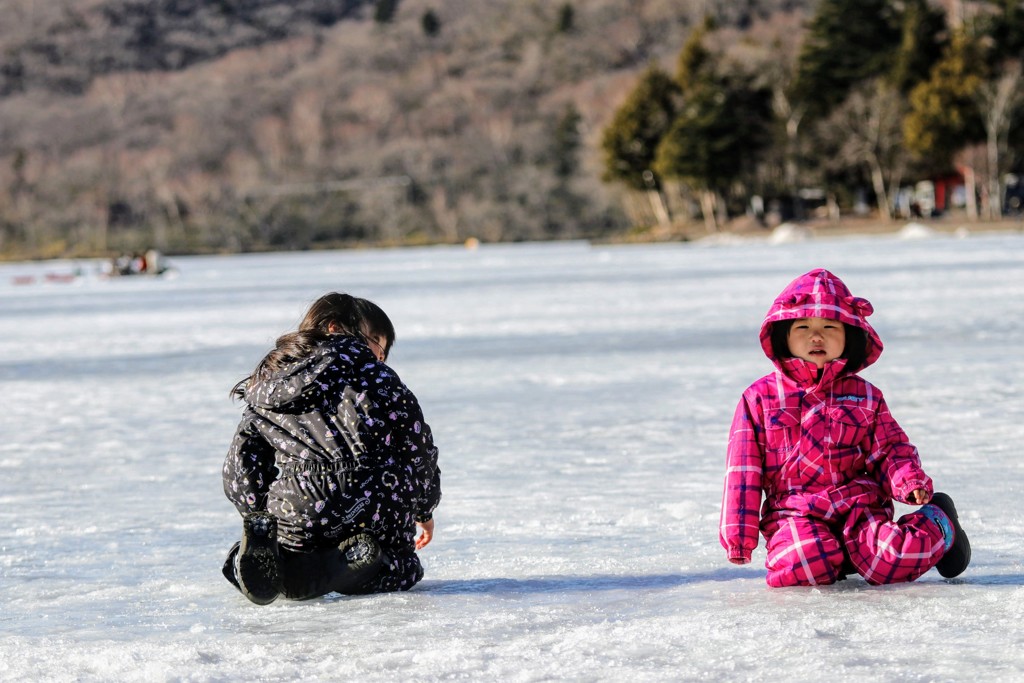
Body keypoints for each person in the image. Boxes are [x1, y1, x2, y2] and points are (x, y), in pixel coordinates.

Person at [719, 269, 970, 587]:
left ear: (849, 334)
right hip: (792, 512)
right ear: (783, 333)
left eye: (828, 327)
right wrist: (738, 535)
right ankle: (836, 557)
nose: (816, 337)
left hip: (857, 506)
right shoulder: (759, 398)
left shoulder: (864, 396)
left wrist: (908, 481)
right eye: (803, 327)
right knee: (802, 561)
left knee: (891, 558)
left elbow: (890, 449)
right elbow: (742, 470)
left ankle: (939, 523)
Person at [221, 293, 441, 604]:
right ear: (335, 328)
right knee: (402, 569)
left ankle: (280, 561)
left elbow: (242, 462)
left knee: (292, 547)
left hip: (298, 504)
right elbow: (418, 449)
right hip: (372, 498)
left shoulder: (268, 384)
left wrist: (257, 512)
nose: (379, 356)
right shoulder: (375, 376)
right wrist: (423, 507)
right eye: (376, 342)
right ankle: (368, 569)